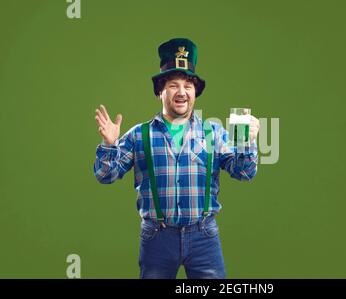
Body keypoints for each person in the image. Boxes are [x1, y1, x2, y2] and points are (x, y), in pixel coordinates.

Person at [93, 38, 260, 279]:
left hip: (204, 237)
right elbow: (104, 175)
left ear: (195, 93)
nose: (181, 92)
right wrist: (109, 145)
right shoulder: (140, 135)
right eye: (173, 85)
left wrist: (247, 142)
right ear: (160, 91)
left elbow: (244, 173)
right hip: (156, 237)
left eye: (188, 86)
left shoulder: (213, 133)